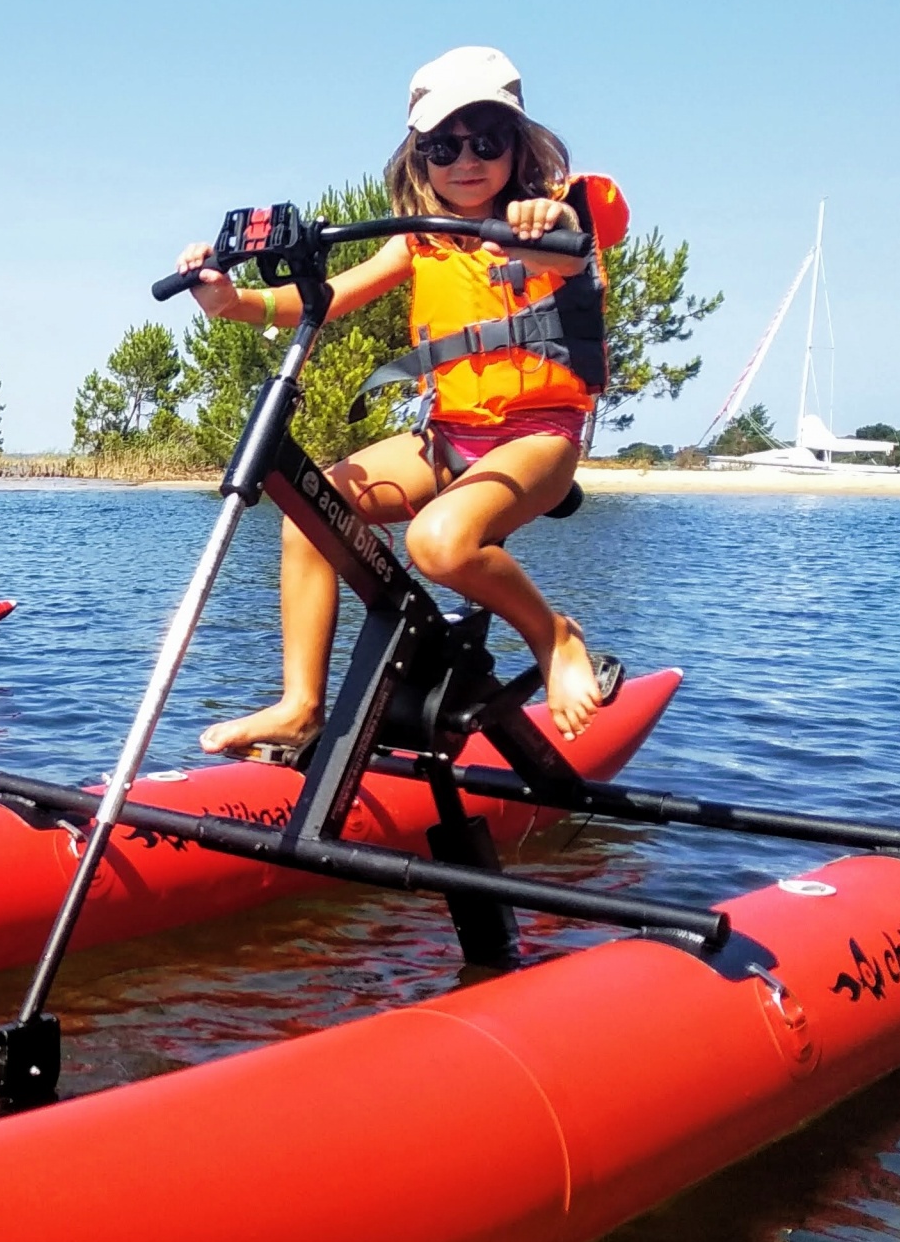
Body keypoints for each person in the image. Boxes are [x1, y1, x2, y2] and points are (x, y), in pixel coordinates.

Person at [174, 46, 626, 749]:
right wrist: (234, 302)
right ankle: (301, 704)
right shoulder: (419, 241)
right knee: (313, 504)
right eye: (444, 145)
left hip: (539, 439)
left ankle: (554, 635)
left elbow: (568, 250)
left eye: (487, 140)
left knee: (436, 544)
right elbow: (321, 300)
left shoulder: (551, 217)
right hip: (447, 439)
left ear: (519, 146)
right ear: (419, 157)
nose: (465, 160)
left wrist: (543, 224)